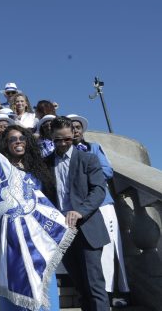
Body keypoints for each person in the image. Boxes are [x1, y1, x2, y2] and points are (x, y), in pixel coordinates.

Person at [45, 116, 110, 311]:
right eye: (58, 140)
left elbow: (99, 190)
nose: (64, 143)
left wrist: (80, 212)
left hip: (88, 228)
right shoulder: (45, 163)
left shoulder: (88, 159)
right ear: (51, 137)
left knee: (94, 284)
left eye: (67, 139)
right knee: (80, 286)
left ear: (73, 134)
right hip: (62, 232)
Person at [0, 125, 60, 311]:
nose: (17, 142)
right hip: (11, 233)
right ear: (5, 144)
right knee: (14, 276)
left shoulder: (39, 168)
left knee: (43, 276)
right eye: (12, 139)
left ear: (28, 142)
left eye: (21, 138)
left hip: (39, 234)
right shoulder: (0, 170)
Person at [68, 114, 130, 304]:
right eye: (72, 127)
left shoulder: (93, 148)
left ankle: (113, 294)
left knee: (109, 250)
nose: (76, 130)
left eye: (78, 127)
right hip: (76, 210)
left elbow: (107, 171)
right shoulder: (62, 154)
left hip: (101, 205)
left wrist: (84, 175)